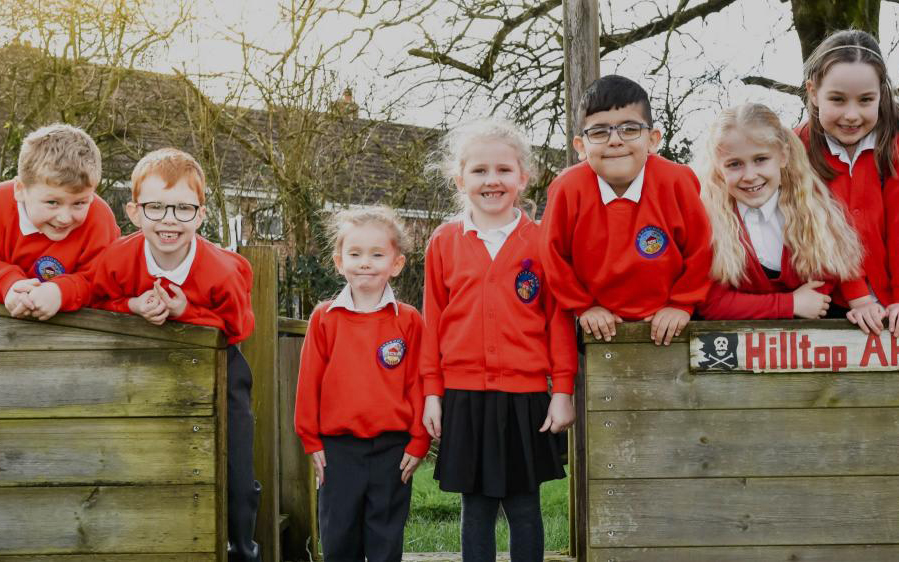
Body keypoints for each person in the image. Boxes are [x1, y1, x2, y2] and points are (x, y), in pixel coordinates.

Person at [89, 148, 260, 562]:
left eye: (183, 208)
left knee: (236, 471)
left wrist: (188, 313)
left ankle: (242, 549)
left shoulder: (221, 271)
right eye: (156, 207)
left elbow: (240, 327)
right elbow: (92, 301)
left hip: (221, 369)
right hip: (143, 369)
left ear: (201, 215)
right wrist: (130, 306)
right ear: (134, 212)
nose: (169, 220)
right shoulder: (117, 260)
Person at [421, 117, 576, 561]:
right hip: (464, 394)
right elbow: (433, 323)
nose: (492, 180)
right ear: (460, 179)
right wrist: (432, 393)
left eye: (504, 170)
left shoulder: (542, 241)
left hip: (525, 396)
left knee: (524, 507)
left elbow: (558, 319)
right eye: (480, 171)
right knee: (477, 508)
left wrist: (562, 390)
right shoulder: (444, 242)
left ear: (523, 177)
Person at [294, 206, 429, 562]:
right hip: (338, 449)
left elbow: (418, 383)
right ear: (339, 262)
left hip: (393, 449)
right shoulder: (325, 319)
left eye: (377, 255)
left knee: (385, 538)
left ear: (396, 264)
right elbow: (308, 383)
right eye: (355, 254)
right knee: (339, 536)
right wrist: (310, 438)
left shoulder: (409, 321)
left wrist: (419, 440)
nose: (365, 263)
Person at [538, 74, 713, 346]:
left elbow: (701, 248)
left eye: (630, 129)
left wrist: (682, 303)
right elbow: (552, 254)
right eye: (599, 132)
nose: (615, 140)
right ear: (581, 146)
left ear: (652, 140)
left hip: (673, 321)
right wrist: (584, 306)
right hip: (599, 326)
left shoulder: (677, 181)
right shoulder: (566, 188)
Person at [697, 103, 863, 320]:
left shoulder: (813, 213)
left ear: (783, 156)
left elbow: (822, 285)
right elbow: (710, 303)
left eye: (760, 159)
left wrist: (809, 300)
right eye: (734, 164)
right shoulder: (709, 222)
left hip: (806, 339)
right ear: (718, 168)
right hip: (736, 339)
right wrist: (789, 304)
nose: (750, 176)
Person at [797, 29, 897, 334]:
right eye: (838, 100)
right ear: (814, 92)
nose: (852, 115)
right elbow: (815, 228)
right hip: (831, 299)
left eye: (865, 100)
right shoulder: (797, 148)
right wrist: (858, 296)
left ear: (881, 94)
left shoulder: (894, 145)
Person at [1, 123, 119, 319]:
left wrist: (61, 292)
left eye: (79, 203)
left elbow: (102, 281)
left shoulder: (100, 219)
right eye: (52, 202)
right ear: (20, 189)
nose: (65, 218)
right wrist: (8, 283)